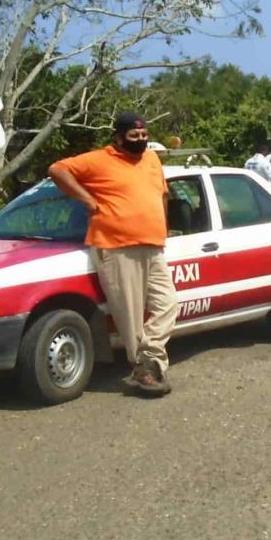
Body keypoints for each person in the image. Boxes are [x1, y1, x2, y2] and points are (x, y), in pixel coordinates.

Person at [48, 112, 178, 397]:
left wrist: (163, 225)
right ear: (118, 138)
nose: (141, 141)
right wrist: (87, 199)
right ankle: (146, 370)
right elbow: (57, 170)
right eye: (134, 137)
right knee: (130, 318)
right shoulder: (98, 160)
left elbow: (162, 195)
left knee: (168, 304)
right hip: (116, 246)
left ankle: (148, 360)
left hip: (153, 246)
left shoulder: (152, 160)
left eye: (144, 136)